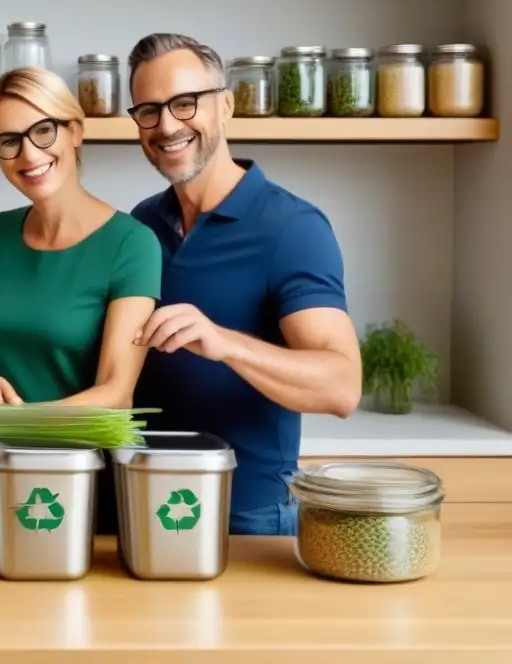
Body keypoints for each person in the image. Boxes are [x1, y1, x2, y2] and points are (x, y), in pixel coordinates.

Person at [125, 33, 363, 537]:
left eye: (185, 103)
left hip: (246, 518)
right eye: (148, 110)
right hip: (139, 503)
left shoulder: (291, 227)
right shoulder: (141, 223)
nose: (167, 125)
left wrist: (225, 342)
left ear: (227, 105)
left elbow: (341, 387)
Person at [0, 67, 163, 530]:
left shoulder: (132, 244)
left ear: (76, 133)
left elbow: (116, 392)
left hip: (84, 482)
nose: (28, 154)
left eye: (43, 130)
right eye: (8, 141)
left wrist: (15, 424)